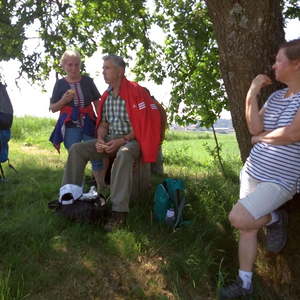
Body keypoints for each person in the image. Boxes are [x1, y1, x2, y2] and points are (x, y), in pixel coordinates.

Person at [219, 38, 300, 299]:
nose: (274, 65)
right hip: (253, 170)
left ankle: (277, 218)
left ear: (296, 64)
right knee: (248, 227)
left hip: (281, 179)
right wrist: (251, 92)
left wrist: (261, 138)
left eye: (279, 60)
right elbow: (254, 127)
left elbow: (292, 134)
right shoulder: (276, 96)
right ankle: (245, 283)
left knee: (239, 218)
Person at [58, 54, 161, 231]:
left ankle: (118, 212)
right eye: (103, 67)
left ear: (120, 71)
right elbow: (104, 123)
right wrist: (99, 139)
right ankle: (69, 200)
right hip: (110, 139)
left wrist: (123, 140)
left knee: (124, 153)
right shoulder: (107, 95)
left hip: (133, 141)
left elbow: (144, 124)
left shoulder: (137, 92)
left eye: (107, 68)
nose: (103, 71)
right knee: (77, 149)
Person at [49, 49, 107, 189]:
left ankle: (101, 187)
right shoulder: (60, 84)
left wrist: (103, 120)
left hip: (88, 122)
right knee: (75, 158)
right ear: (63, 65)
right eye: (70, 65)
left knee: (97, 154)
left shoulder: (87, 81)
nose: (73, 68)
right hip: (70, 125)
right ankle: (76, 189)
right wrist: (64, 100)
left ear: (80, 65)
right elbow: (53, 108)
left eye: (76, 64)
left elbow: (97, 101)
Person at [143, 87, 167, 175]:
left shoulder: (151, 105)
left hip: (152, 141)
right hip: (157, 141)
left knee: (153, 172)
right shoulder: (156, 104)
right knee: (157, 170)